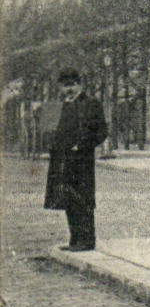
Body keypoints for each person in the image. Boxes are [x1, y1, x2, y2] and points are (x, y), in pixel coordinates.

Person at [44, 70, 106, 252]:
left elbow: (101, 131)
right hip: (63, 160)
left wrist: (83, 145)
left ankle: (86, 241)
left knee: (83, 199)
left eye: (72, 85)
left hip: (82, 161)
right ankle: (74, 240)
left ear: (80, 85)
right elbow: (51, 131)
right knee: (67, 199)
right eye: (65, 86)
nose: (68, 89)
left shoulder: (91, 104)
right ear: (60, 87)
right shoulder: (59, 106)